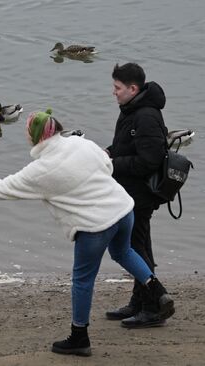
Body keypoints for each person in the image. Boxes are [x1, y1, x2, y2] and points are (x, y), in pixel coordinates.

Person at [0, 109, 174, 356]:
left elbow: (5, 187)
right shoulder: (80, 143)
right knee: (123, 251)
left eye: (27, 130)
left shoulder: (41, 170)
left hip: (93, 226)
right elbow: (107, 164)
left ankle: (79, 337)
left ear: (36, 136)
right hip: (123, 210)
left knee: (83, 280)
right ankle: (157, 290)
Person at [105, 63, 172, 328]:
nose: (114, 92)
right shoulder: (131, 110)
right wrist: (108, 152)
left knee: (134, 246)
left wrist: (112, 164)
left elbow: (149, 161)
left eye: (117, 88)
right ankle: (139, 302)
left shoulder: (145, 115)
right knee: (140, 244)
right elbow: (126, 145)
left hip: (141, 193)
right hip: (129, 191)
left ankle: (152, 307)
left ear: (133, 88)